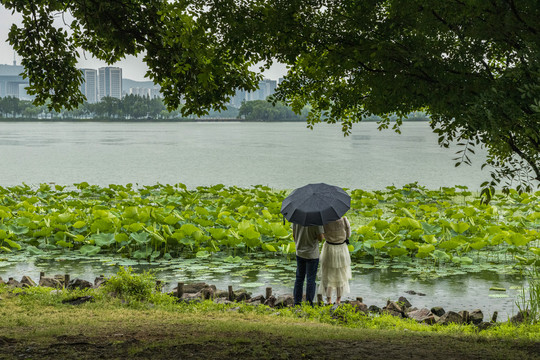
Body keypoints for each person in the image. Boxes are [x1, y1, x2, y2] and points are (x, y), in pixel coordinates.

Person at [317, 216, 352, 305]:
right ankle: (338, 300)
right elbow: (348, 234)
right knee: (341, 274)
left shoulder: (324, 220)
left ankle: (328, 300)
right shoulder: (344, 220)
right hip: (341, 248)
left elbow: (322, 235)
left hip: (329, 249)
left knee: (327, 274)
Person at [292, 223, 325, 306]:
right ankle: (309, 304)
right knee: (311, 280)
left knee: (299, 278)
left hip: (299, 252)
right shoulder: (316, 220)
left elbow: (294, 235)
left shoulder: (297, 218)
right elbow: (320, 238)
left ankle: (297, 303)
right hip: (312, 254)